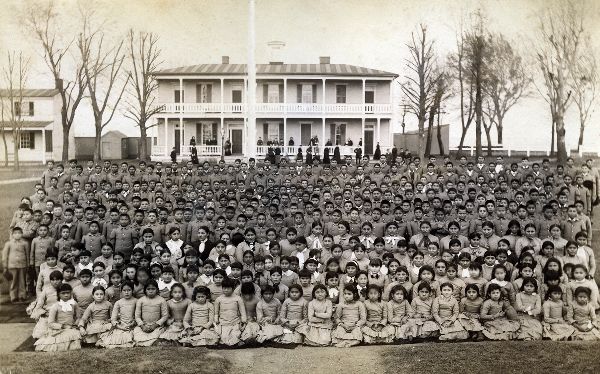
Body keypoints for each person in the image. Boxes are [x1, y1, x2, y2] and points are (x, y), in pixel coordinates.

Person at [34, 283, 82, 352]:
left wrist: (75, 324)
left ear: (71, 293)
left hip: (71, 327)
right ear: (59, 294)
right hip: (59, 329)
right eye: (63, 293)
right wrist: (63, 326)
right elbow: (50, 323)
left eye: (68, 293)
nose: (66, 295)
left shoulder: (74, 304)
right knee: (54, 343)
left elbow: (78, 317)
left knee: (75, 335)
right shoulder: (55, 306)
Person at [98, 281, 137, 348]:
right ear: (121, 291)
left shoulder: (136, 301)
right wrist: (119, 326)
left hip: (132, 325)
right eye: (124, 290)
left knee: (132, 335)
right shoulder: (118, 303)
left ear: (132, 290)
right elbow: (113, 318)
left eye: (129, 290)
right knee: (115, 336)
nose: (126, 292)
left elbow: (138, 316)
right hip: (121, 325)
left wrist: (133, 323)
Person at [133, 280, 168, 346]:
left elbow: (165, 316)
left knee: (158, 333)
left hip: (156, 326)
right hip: (144, 325)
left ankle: (153, 341)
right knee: (137, 332)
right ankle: (145, 342)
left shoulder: (161, 300)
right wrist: (142, 326)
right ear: (145, 290)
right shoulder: (141, 300)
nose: (151, 291)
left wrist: (155, 325)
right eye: (148, 289)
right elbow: (137, 316)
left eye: (153, 289)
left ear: (157, 290)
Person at [3, 227, 30, 303]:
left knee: (22, 281)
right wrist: (5, 266)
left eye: (19, 233)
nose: (17, 235)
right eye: (15, 233)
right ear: (12, 234)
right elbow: (5, 255)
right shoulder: (9, 243)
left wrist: (28, 264)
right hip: (12, 265)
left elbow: (27, 254)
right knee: (14, 281)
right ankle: (13, 296)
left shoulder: (25, 243)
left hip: (22, 264)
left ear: (22, 234)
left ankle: (22, 296)